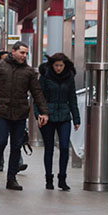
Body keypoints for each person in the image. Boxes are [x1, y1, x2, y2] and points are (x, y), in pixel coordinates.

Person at [0, 41, 49, 191]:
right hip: (2, 112)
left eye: (26, 53)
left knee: (16, 146)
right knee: (1, 142)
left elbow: (37, 93)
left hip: (20, 113)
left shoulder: (29, 72)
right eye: (22, 52)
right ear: (13, 52)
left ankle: (11, 178)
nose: (24, 56)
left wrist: (43, 112)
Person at [38, 52, 80, 190]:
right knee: (49, 148)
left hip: (64, 116)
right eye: (56, 65)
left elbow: (72, 98)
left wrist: (76, 118)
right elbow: (39, 97)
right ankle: (48, 178)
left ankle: (62, 178)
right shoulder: (45, 77)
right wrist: (39, 114)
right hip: (47, 116)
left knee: (63, 147)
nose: (58, 68)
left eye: (61, 65)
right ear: (52, 65)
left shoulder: (69, 77)